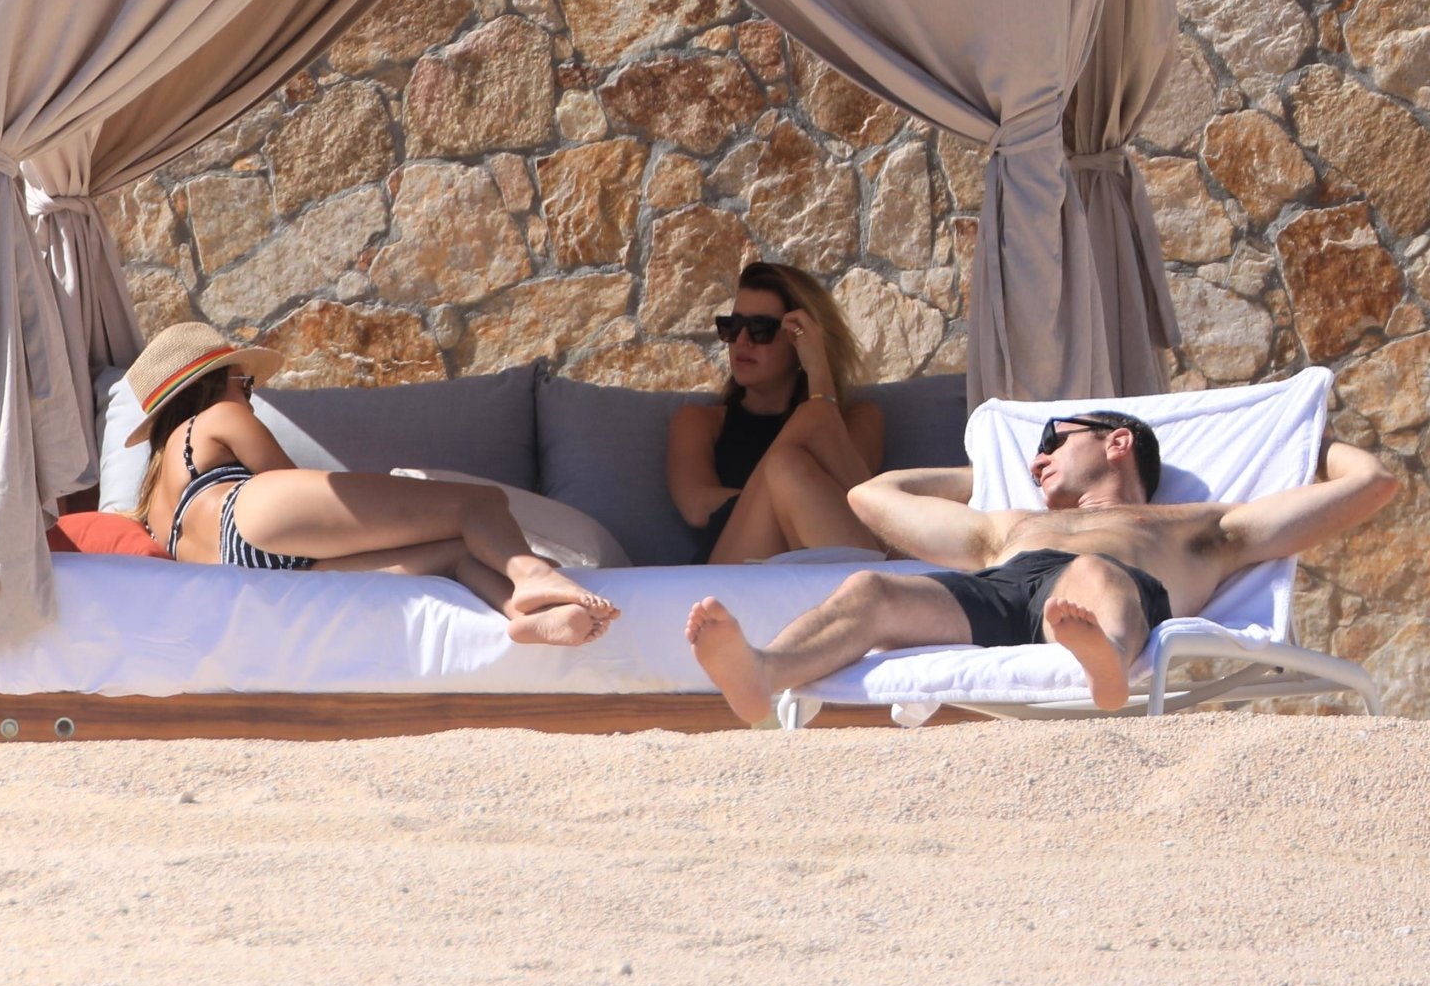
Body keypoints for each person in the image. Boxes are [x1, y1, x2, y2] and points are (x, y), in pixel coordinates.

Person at [687, 408, 1399, 719]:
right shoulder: (1007, 524)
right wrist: (980, 475)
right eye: (1032, 453)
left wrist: (1309, 440)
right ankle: (765, 671)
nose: (1037, 459)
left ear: (1118, 443)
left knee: (1093, 574)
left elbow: (1372, 484)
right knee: (872, 588)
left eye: (1055, 440)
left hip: (1107, 590)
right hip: (1004, 590)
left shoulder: (1202, 525)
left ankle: (1105, 663)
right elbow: (871, 495)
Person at [127, 322, 619, 645]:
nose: (250, 396)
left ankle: (524, 616)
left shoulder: (153, 497)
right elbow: (294, 486)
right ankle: (531, 573)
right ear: (214, 383)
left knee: (455, 553)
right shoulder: (219, 415)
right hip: (252, 518)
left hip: (251, 575)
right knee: (477, 504)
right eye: (245, 382)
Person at [666, 260, 884, 563]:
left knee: (790, 460)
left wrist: (818, 372)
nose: (742, 341)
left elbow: (854, 501)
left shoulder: (861, 419)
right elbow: (697, 506)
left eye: (760, 329)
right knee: (786, 463)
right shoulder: (699, 421)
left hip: (822, 559)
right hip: (731, 571)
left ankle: (881, 583)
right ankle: (904, 569)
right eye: (732, 327)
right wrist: (784, 494)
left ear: (801, 341)